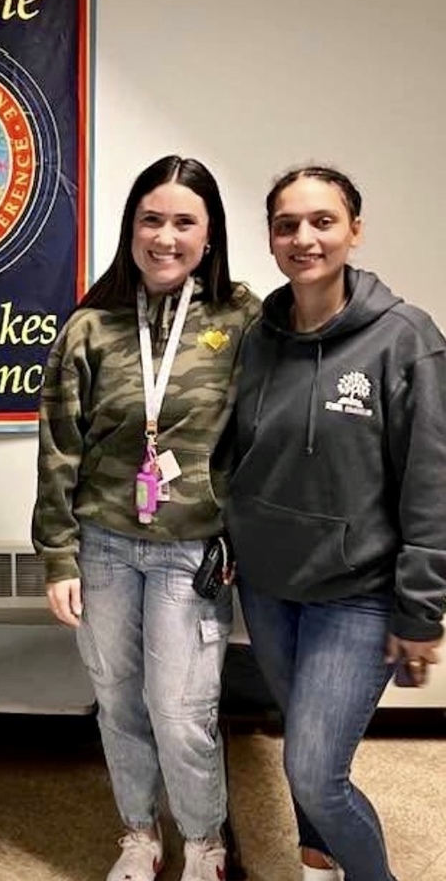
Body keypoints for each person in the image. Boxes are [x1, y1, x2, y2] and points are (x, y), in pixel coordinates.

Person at [32, 155, 260, 881]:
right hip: (102, 547)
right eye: (150, 220)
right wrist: (58, 555)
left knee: (181, 708)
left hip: (188, 553)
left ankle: (203, 842)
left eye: (183, 222)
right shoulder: (91, 326)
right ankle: (139, 833)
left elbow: (272, 432)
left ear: (211, 233)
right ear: (131, 229)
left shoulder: (244, 320)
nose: (165, 237)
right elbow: (59, 446)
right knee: (117, 701)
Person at [225, 166, 446, 881]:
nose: (303, 238)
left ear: (355, 228)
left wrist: (422, 609)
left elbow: (431, 484)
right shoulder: (258, 337)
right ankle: (319, 861)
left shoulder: (405, 339)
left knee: (317, 772)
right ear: (271, 237)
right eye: (287, 224)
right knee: (300, 751)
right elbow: (241, 452)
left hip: (358, 590)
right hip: (269, 584)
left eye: (322, 221)